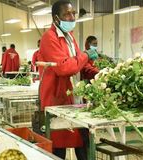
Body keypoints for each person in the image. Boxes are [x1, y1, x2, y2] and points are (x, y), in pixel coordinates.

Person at [38, 0, 98, 159]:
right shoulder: (49, 38)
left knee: (83, 142)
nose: (72, 18)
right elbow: (64, 67)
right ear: (56, 18)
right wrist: (85, 55)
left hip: (75, 98)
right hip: (57, 100)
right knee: (58, 148)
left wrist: (99, 73)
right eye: (67, 14)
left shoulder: (69, 36)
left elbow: (79, 63)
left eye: (73, 13)